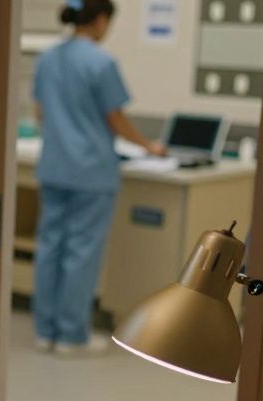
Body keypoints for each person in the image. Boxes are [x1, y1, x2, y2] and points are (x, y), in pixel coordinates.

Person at [31, 0, 167, 355]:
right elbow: (116, 120)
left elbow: (40, 112)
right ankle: (71, 335)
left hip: (55, 165)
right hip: (90, 171)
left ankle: (45, 331)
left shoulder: (48, 58)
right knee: (81, 253)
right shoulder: (101, 62)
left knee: (50, 249)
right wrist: (148, 146)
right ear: (102, 20)